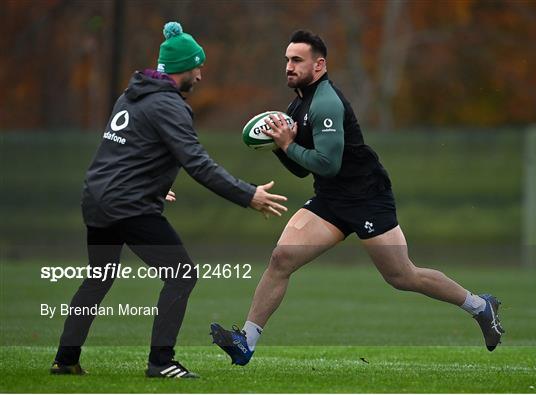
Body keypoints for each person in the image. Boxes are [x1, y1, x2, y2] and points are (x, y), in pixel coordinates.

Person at [210, 30, 504, 365]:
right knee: (281, 259)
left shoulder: (326, 102)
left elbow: (328, 164)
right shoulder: (299, 103)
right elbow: (302, 172)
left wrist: (289, 145)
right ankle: (246, 341)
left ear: (318, 65)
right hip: (331, 199)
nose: (289, 67)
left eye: (297, 60)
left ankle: (481, 307)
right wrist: (282, 147)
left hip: (366, 197)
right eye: (287, 60)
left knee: (401, 276)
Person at [50, 21, 288, 379]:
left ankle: (65, 358)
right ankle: (161, 362)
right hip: (125, 204)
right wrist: (247, 194)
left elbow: (128, 153)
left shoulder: (132, 94)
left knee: (99, 277)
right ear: (183, 70)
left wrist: (155, 187)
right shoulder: (168, 105)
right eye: (197, 68)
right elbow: (197, 163)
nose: (201, 76)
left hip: (98, 198)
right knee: (182, 274)